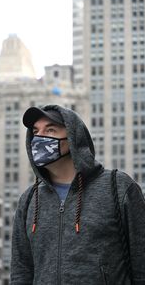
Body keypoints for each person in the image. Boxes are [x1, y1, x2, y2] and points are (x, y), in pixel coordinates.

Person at [10, 104, 145, 285]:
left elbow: (141, 263)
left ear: (73, 138)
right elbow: (21, 273)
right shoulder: (29, 200)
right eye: (36, 132)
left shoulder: (118, 187)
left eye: (50, 130)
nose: (39, 138)